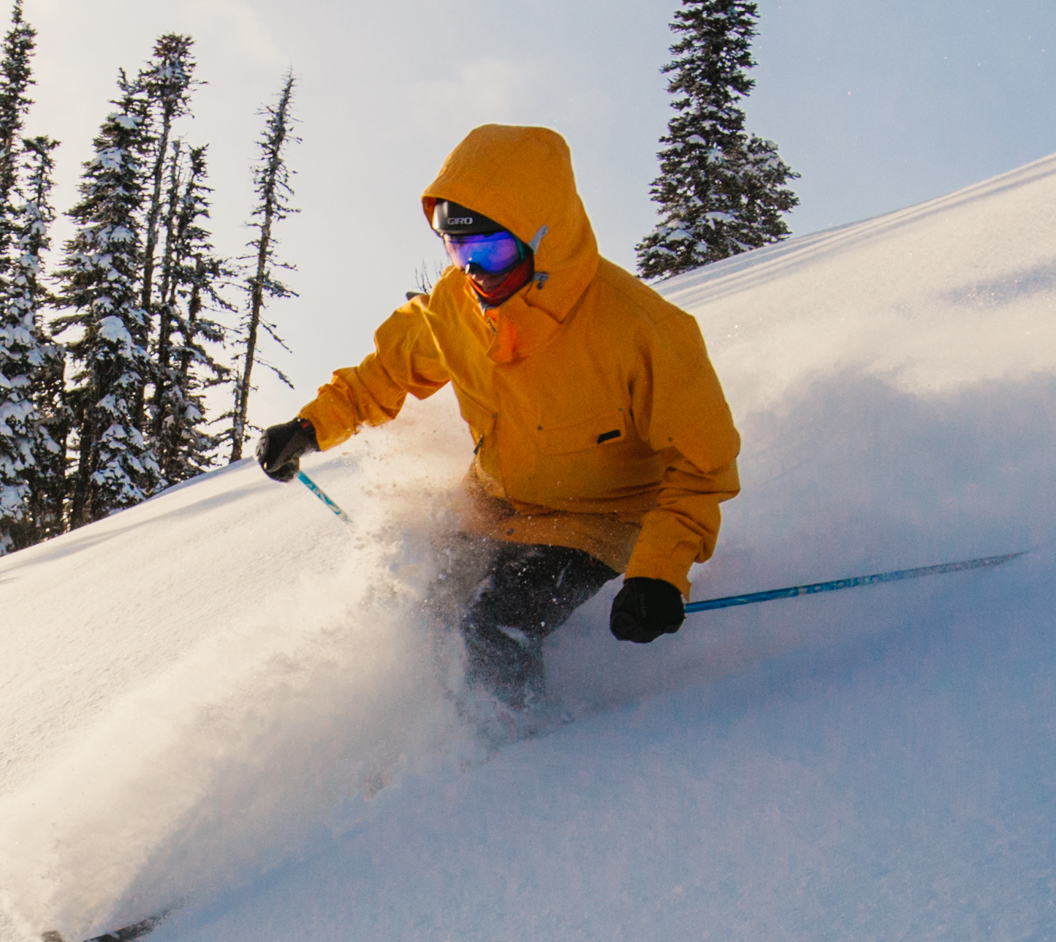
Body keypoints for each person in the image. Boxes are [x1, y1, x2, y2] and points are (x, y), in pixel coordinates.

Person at [259, 123, 741, 711]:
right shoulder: (455, 305)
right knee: (421, 608)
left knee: (492, 629)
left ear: (544, 239)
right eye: (458, 250)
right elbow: (385, 372)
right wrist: (310, 428)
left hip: (598, 521)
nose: (475, 272)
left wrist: (658, 574)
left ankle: (514, 753)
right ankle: (416, 732)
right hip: (492, 503)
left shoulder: (642, 331)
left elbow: (701, 469)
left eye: (491, 251)